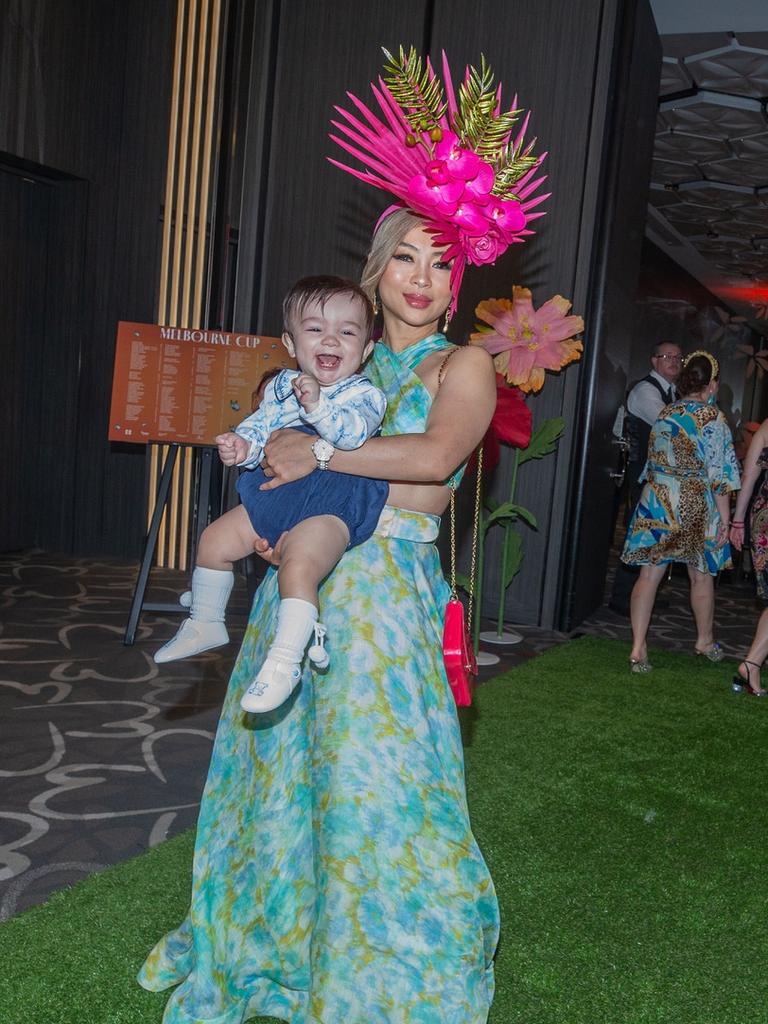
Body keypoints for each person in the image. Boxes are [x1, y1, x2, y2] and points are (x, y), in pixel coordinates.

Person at [139, 47, 547, 1023]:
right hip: (304, 601)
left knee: (386, 793)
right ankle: (269, 952)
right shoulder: (331, 357)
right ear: (378, 265)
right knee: (282, 790)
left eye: (439, 261)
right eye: (403, 256)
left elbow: (432, 454)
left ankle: (386, 979)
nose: (420, 277)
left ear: (460, 279)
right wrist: (280, 474)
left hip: (388, 613)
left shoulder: (466, 368)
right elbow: (270, 456)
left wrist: (313, 455)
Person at [154, 276, 389, 715]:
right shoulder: (282, 385)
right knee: (214, 541)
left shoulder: (363, 393)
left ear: (366, 350)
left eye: (348, 332)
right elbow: (262, 429)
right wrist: (242, 447)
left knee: (298, 567)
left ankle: (285, 661)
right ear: (291, 341)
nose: (331, 340)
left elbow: (352, 436)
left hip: (332, 499)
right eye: (316, 329)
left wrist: (318, 407)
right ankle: (205, 621)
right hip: (280, 494)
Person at [622, 350, 740, 673]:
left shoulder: (666, 413)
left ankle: (637, 647)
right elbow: (721, 477)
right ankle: (704, 641)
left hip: (658, 497)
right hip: (694, 501)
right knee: (701, 576)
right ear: (712, 385)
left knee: (649, 574)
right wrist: (726, 521)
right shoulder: (714, 420)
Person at [610, 340, 682, 614]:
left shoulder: (672, 392)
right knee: (636, 533)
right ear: (654, 361)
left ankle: (643, 594)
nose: (673, 361)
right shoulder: (645, 391)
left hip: (659, 477)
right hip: (642, 475)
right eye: (667, 356)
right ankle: (622, 597)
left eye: (678, 357)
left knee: (653, 536)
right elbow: (671, 426)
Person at [727, 418, 768, 696]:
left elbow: (749, 475)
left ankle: (752, 663)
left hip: (763, 515)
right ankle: (752, 662)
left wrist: (738, 520)